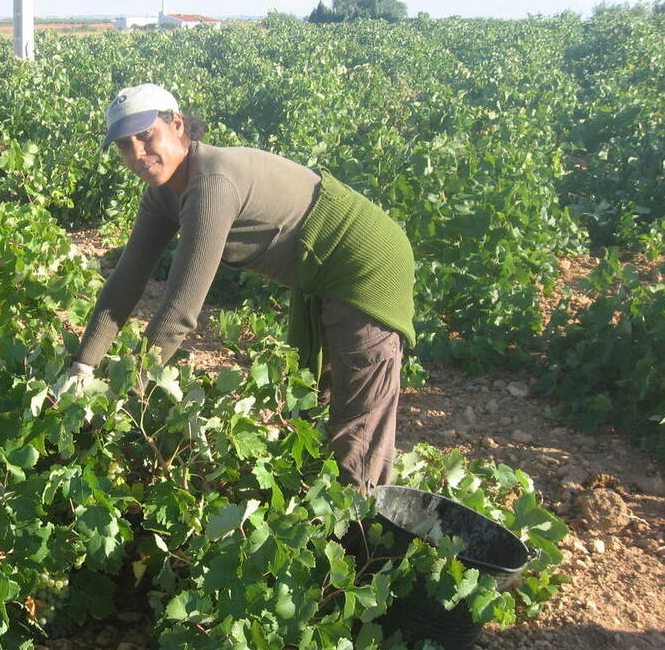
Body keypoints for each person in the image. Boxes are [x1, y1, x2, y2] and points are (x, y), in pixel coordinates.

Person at [61, 83, 415, 493]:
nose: (137, 153)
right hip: (319, 269)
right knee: (315, 395)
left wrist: (128, 392)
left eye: (146, 136)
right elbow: (126, 280)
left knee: (358, 419)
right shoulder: (162, 194)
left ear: (177, 125)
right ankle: (320, 507)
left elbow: (180, 310)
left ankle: (361, 525)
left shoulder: (213, 183)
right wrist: (83, 365)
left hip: (367, 261)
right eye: (125, 145)